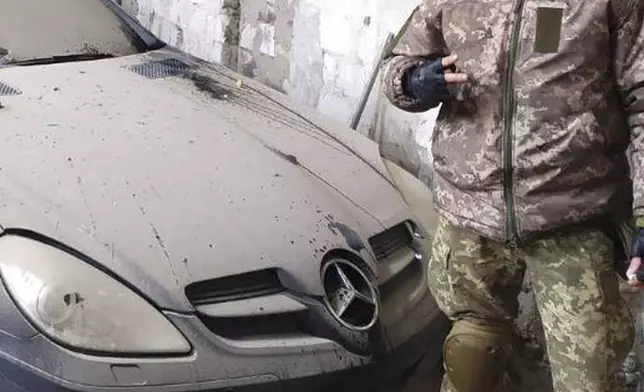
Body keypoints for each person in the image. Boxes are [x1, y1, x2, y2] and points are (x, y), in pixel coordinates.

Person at [381, 1, 644, 391]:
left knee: (592, 374)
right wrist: (414, 81)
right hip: (472, 214)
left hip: (575, 217)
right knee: (470, 355)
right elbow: (396, 65)